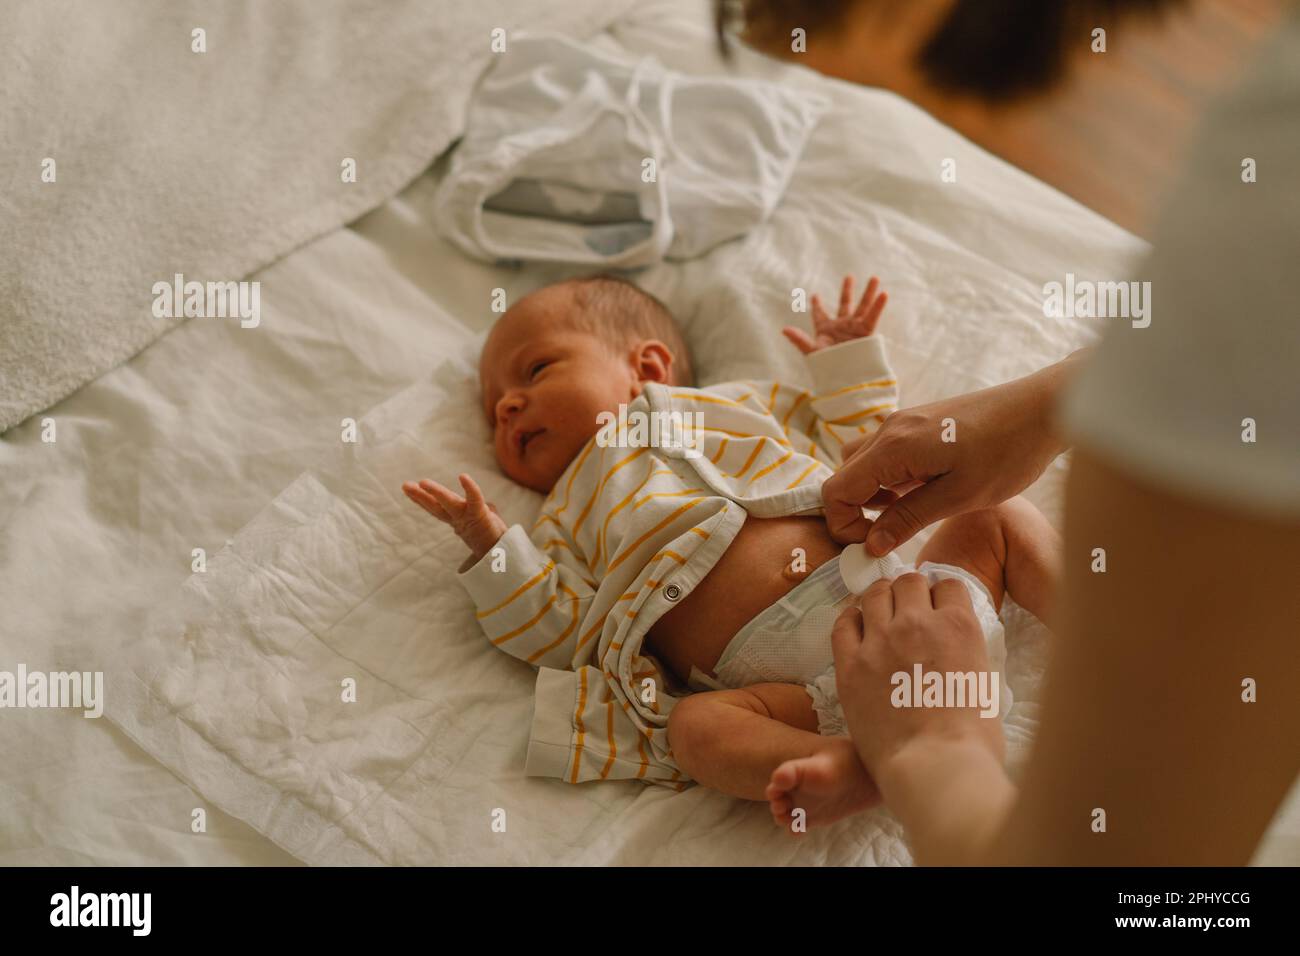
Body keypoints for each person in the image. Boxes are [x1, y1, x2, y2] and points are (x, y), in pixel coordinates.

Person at [724, 0, 1300, 863]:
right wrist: (1044, 408)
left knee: (1004, 525)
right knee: (703, 728)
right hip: (829, 661)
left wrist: (933, 750)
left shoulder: (1263, 193)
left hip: (910, 670)